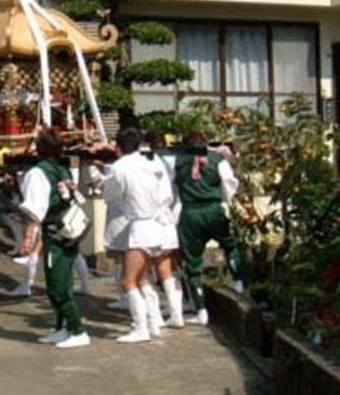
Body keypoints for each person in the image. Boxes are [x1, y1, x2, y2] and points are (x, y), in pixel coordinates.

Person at [19, 128, 91, 348]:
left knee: (57, 285)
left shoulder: (38, 173)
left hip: (55, 231)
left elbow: (35, 209)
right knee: (62, 279)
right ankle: (62, 327)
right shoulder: (63, 169)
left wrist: (28, 237)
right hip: (70, 229)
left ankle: (78, 329)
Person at [103, 128, 174, 343]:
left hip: (139, 226)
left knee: (128, 281)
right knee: (142, 277)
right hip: (158, 224)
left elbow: (111, 196)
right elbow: (166, 194)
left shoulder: (119, 167)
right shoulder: (151, 163)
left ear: (118, 146)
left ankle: (141, 327)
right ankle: (154, 322)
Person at [174, 131, 243, 326]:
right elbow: (229, 183)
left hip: (190, 212)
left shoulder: (178, 161)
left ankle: (201, 309)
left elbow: (172, 188)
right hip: (213, 208)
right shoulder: (217, 159)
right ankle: (238, 283)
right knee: (229, 244)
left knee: (193, 262)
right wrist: (225, 201)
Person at [139, 130, 185, 331]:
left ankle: (155, 315)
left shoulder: (140, 165)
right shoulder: (168, 162)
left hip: (148, 221)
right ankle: (176, 314)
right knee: (166, 268)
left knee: (142, 269)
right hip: (167, 219)